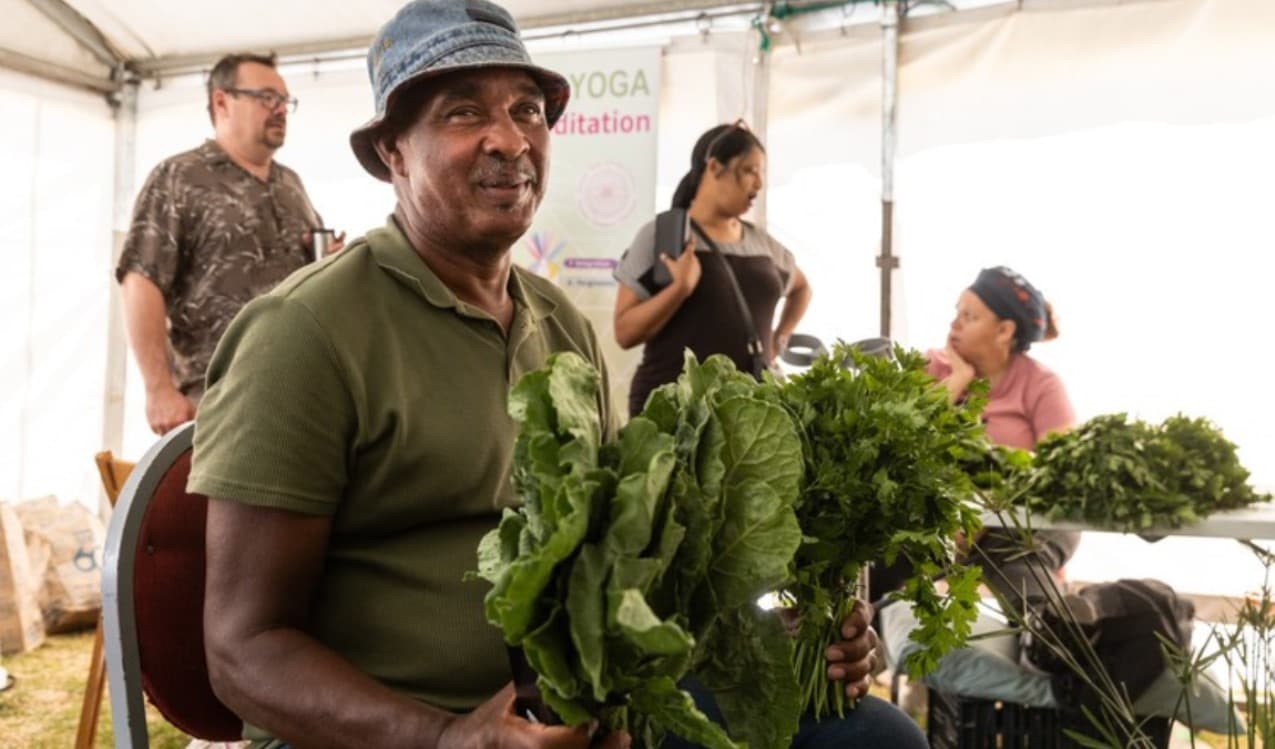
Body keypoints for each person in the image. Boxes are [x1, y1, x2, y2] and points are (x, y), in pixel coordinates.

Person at [188, 2, 885, 748]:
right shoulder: (304, 332)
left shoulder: (560, 324)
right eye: (463, 113)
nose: (511, 140)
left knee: (873, 735)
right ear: (393, 150)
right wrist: (450, 738)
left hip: (573, 711)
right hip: (398, 734)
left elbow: (621, 569)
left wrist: (774, 630)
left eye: (527, 109)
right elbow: (243, 650)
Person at [116, 51, 344, 436]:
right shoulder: (179, 176)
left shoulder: (291, 185)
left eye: (285, 101)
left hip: (303, 392)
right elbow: (141, 279)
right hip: (220, 395)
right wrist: (159, 389)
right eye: (267, 97)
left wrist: (330, 265)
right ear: (222, 102)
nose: (281, 109)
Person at [613, 122, 813, 416]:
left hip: (745, 418)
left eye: (762, 172)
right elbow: (624, 332)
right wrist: (679, 289)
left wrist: (779, 339)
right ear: (715, 168)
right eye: (749, 170)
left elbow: (802, 289)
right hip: (673, 415)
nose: (758, 183)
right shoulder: (664, 236)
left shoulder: (762, 244)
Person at [928, 265, 1079, 613]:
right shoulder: (932, 368)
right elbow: (906, 432)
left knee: (1017, 555)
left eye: (969, 316)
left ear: (1004, 330)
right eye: (956, 312)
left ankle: (1053, 639)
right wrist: (958, 379)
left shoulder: (1041, 385)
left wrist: (985, 513)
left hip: (1015, 519)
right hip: (940, 524)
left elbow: (1062, 469)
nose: (954, 324)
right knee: (887, 565)